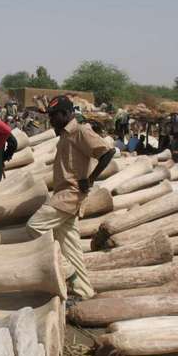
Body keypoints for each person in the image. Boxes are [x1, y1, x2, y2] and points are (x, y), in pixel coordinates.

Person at [27, 95, 115, 300]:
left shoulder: (81, 131)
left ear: (67, 114)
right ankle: (84, 291)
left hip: (70, 195)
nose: (51, 120)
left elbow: (108, 153)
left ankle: (66, 270)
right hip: (63, 194)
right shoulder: (65, 134)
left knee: (34, 226)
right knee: (71, 247)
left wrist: (91, 179)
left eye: (54, 116)